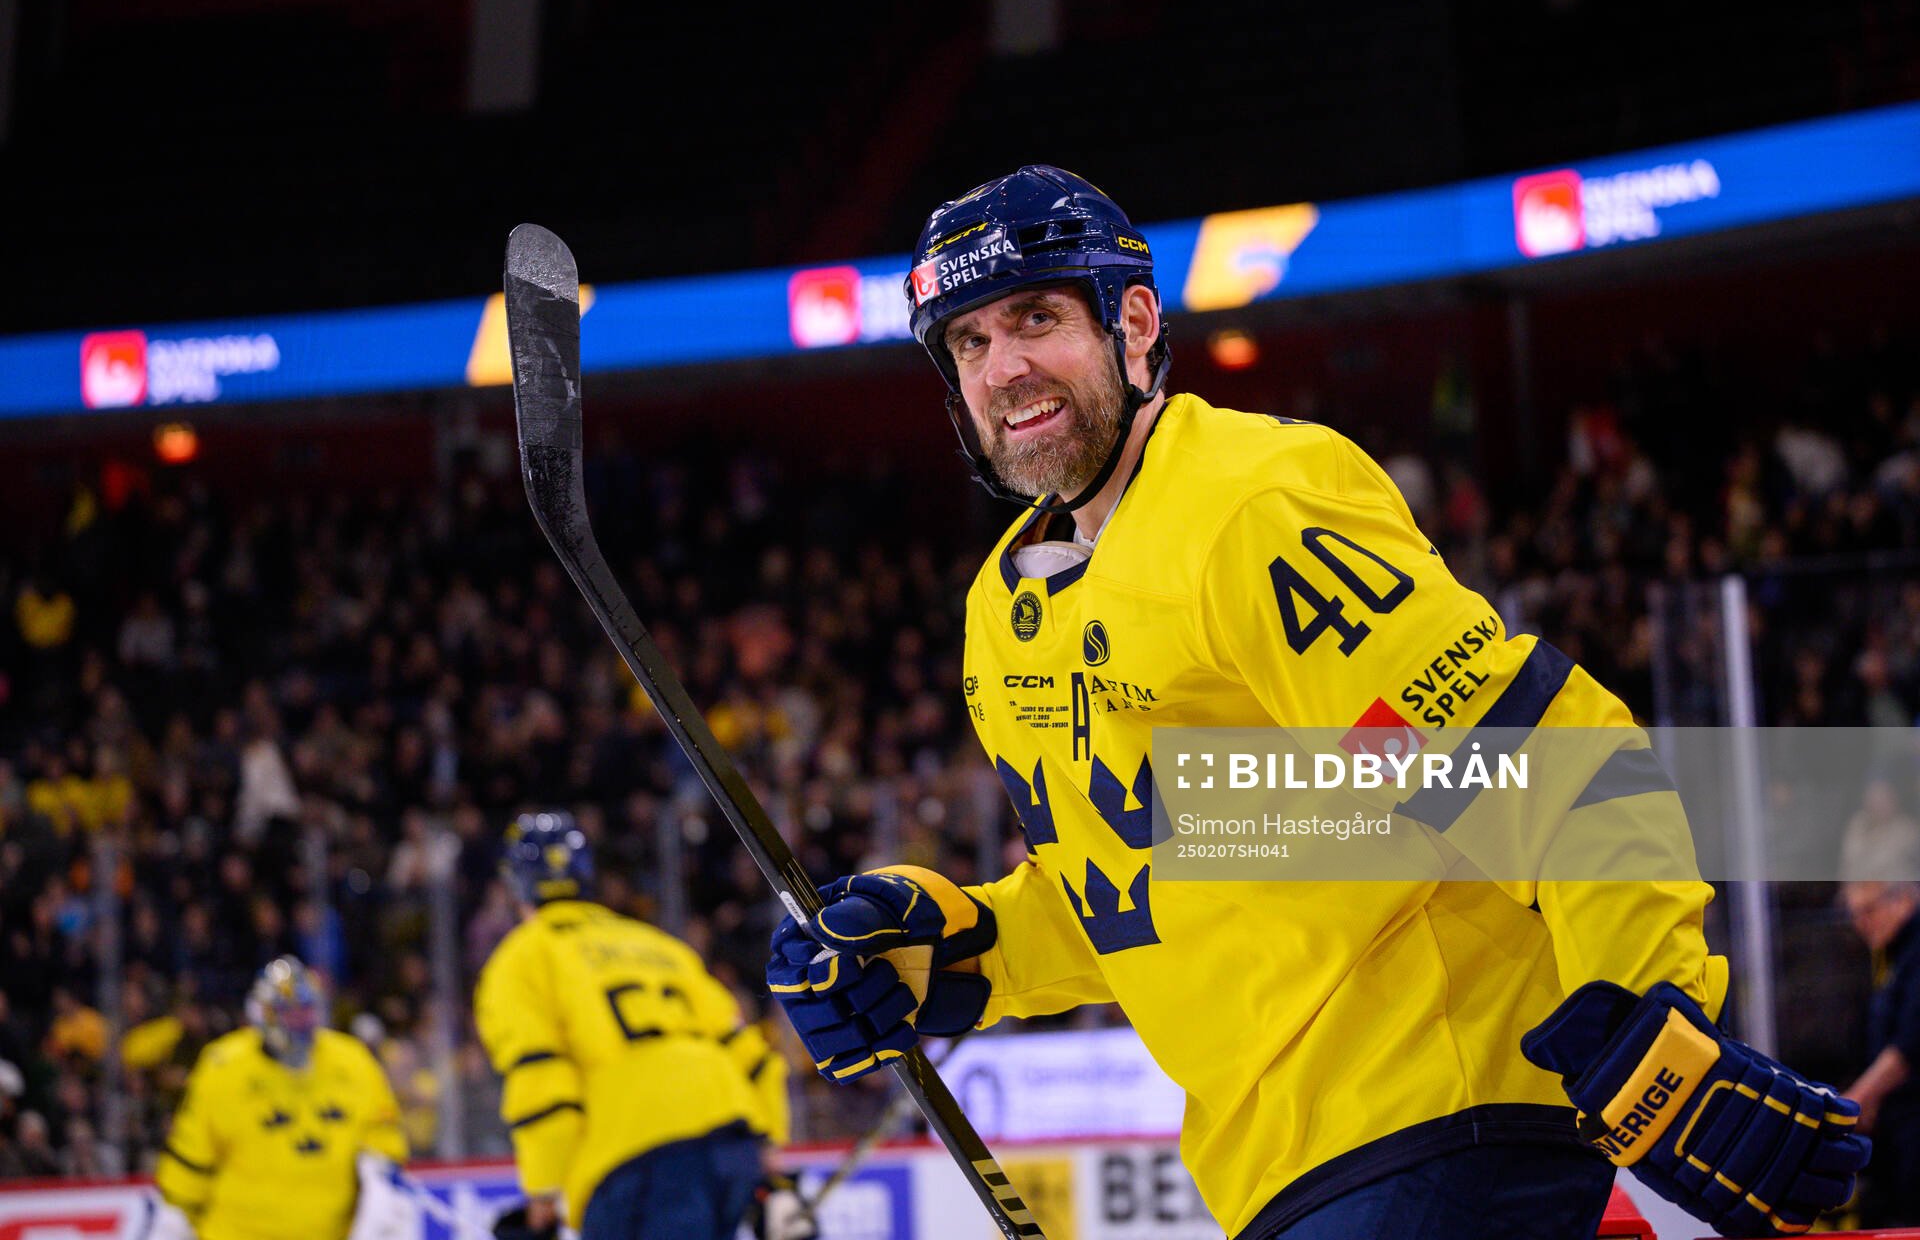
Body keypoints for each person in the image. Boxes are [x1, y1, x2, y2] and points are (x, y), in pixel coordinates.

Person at [767, 166, 1869, 1239]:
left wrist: (1652, 1020)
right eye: (968, 340)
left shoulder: (1247, 502)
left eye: (1038, 317)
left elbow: (1533, 751)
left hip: (1444, 1109)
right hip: (1284, 1169)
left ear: (1136, 321)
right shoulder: (1003, 621)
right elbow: (1172, 875)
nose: (1004, 364)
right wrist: (959, 949)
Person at [474, 811, 808, 1240]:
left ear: (513, 885)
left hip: (635, 1159)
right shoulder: (657, 944)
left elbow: (542, 1077)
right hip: (731, 1141)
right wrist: (769, 1166)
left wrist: (542, 1199)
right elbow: (749, 1055)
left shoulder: (519, 960)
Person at [150, 956, 413, 1240]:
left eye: (306, 1010)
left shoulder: (354, 1063)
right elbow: (189, 1167)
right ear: (262, 1013)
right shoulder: (223, 1067)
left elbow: (383, 1156)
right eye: (288, 1012)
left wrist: (380, 1192)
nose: (299, 1023)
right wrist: (171, 1224)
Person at [1843, 880, 1920, 1225]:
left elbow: (1910, 1044)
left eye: (1869, 910)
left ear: (1903, 899)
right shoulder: (1892, 957)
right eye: (1855, 914)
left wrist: (1857, 1100)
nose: (1862, 923)